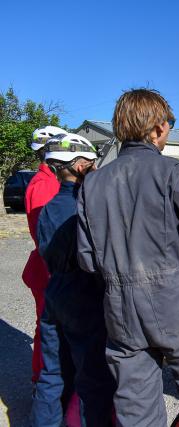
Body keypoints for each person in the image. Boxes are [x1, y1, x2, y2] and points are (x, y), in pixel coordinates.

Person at [77, 88, 179, 426]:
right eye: (169, 123)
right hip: (174, 300)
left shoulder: (92, 185)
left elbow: (88, 259)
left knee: (137, 410)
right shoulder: (176, 173)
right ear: (158, 128)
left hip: (120, 308)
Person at [31, 134, 115, 426]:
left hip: (55, 293)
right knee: (93, 377)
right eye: (92, 165)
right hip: (82, 296)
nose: (95, 170)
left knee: (52, 374)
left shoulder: (50, 207)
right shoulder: (83, 210)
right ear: (80, 166)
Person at [22, 125, 66, 383]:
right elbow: (46, 236)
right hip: (48, 271)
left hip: (49, 268)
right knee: (48, 329)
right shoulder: (43, 185)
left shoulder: (50, 181)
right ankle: (43, 380)